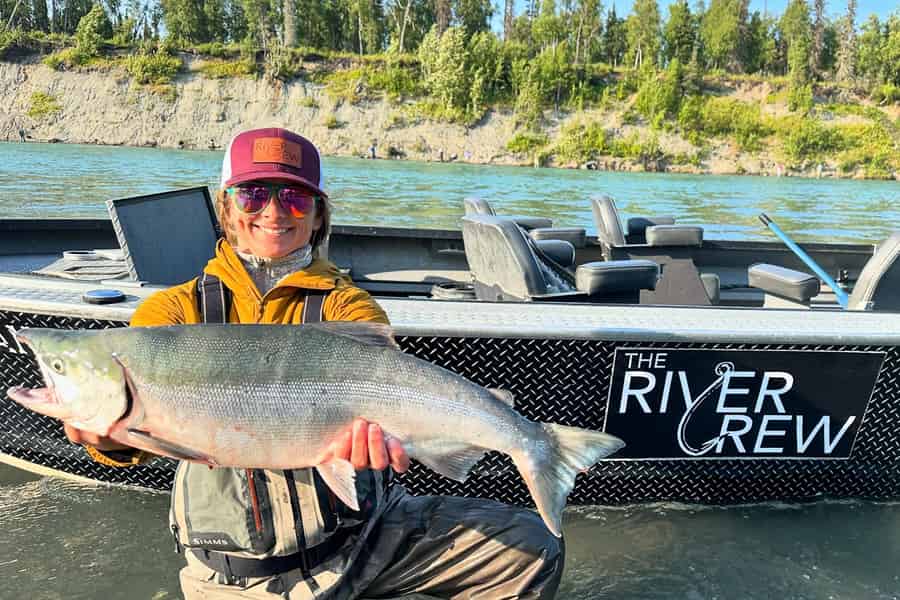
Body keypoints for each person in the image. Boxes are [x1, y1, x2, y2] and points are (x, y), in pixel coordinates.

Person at [64, 127, 563, 599]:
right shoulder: (172, 313)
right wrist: (107, 439)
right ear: (226, 208)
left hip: (361, 541)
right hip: (237, 571)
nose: (274, 212)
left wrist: (393, 448)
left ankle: (535, 449)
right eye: (253, 194)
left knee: (533, 547)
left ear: (319, 215)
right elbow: (133, 442)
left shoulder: (351, 307)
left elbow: (393, 409)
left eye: (295, 197)